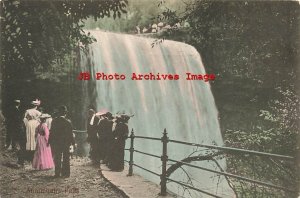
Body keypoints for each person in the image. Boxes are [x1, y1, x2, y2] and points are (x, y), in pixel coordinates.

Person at [49, 105, 75, 178]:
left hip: (57, 143)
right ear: (65, 113)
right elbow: (70, 134)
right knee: (66, 158)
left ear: (59, 113)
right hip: (66, 143)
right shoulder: (68, 122)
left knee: (57, 157)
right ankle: (66, 174)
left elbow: (52, 132)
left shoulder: (54, 121)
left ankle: (57, 173)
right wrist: (73, 143)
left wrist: (49, 141)